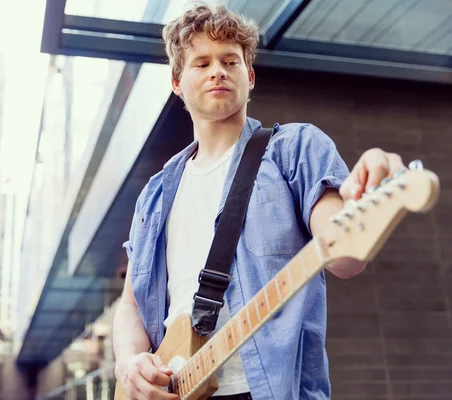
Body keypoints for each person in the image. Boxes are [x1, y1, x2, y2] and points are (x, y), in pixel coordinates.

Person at [112, 3, 406, 399]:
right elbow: (131, 303)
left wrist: (364, 200)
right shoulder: (154, 194)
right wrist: (128, 362)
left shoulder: (295, 149)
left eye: (230, 61)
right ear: (177, 83)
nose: (217, 70)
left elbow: (346, 259)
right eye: (201, 64)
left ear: (249, 77)